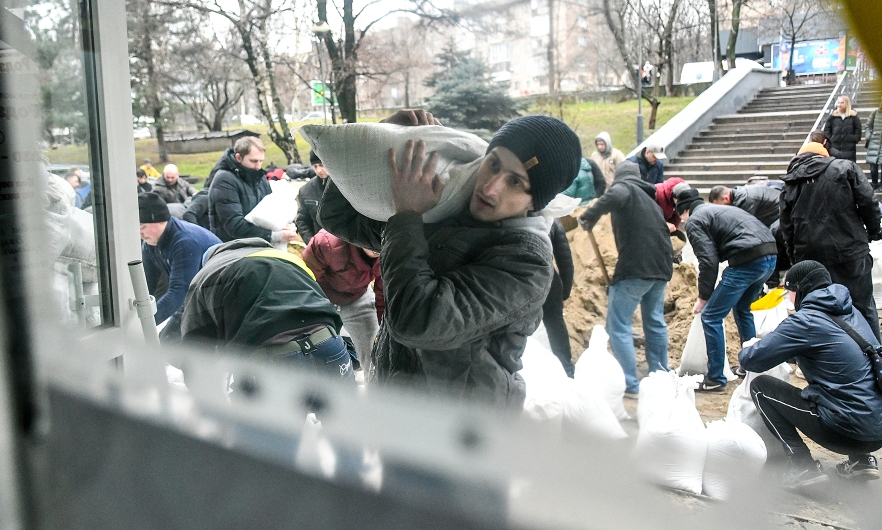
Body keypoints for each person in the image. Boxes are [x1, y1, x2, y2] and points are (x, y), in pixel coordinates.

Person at [318, 110, 582, 408]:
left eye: (516, 183)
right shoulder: (444, 207)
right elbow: (337, 217)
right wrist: (381, 138)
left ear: (537, 201)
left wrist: (406, 215)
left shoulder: (526, 263)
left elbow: (416, 321)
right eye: (493, 164)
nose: (491, 187)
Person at [739, 260, 882, 488]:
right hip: (877, 431)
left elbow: (752, 359)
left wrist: (747, 347)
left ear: (799, 290)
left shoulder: (805, 321)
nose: (789, 298)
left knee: (762, 388)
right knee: (847, 386)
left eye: (789, 292)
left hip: (845, 432)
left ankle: (802, 465)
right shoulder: (850, 311)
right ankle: (862, 461)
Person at [180, 237, 352, 380]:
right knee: (346, 422)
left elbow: (194, 347)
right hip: (329, 346)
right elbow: (320, 301)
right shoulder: (289, 259)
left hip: (272, 363)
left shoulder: (207, 275)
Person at [578, 161, 674, 395]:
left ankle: (628, 383)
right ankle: (660, 375)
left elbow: (615, 194)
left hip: (636, 267)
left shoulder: (626, 188)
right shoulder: (648, 200)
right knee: (654, 321)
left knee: (618, 324)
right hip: (660, 267)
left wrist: (588, 215)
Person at [676, 188, 777, 392]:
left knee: (711, 316)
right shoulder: (718, 210)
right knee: (742, 309)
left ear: (685, 211)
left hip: (747, 260)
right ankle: (749, 366)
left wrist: (704, 297)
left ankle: (715, 378)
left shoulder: (695, 221)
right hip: (770, 255)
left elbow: (708, 261)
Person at [780, 140, 882, 340]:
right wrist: (873, 231)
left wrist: (796, 261)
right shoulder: (845, 168)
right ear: (824, 155)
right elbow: (868, 202)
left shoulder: (790, 183)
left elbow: (787, 228)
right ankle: (876, 358)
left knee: (823, 312)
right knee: (863, 305)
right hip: (851, 251)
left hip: (812, 259)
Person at [302, 229, 382, 378]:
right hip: (322, 299)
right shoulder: (327, 243)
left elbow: (383, 292)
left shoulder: (389, 250)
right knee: (315, 350)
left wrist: (382, 325)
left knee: (374, 351)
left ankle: (375, 389)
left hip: (358, 297)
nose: (376, 249)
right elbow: (306, 279)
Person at [138, 192, 221, 324]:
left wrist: (145, 324)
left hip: (220, 297)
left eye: (142, 227)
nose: (140, 234)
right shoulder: (150, 243)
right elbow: (147, 286)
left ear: (159, 221)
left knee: (171, 341)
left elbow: (178, 293)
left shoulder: (185, 242)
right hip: (197, 295)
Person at [209, 136, 297, 244]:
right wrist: (275, 236)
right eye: (253, 161)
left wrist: (290, 226)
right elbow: (233, 224)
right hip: (232, 249)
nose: (258, 166)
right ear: (238, 158)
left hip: (259, 245)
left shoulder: (260, 177)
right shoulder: (224, 180)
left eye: (261, 161)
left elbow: (274, 209)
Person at [543, 220, 575, 377]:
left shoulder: (514, 215)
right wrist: (564, 294)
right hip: (549, 279)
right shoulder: (553, 222)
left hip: (521, 279)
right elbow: (566, 263)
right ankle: (566, 368)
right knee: (555, 323)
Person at [295, 150, 329, 245]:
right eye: (315, 166)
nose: (319, 170)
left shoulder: (345, 188)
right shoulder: (306, 190)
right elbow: (302, 220)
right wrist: (312, 243)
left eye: (321, 165)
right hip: (322, 247)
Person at [708, 184, 781, 227]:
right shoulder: (740, 195)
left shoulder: (745, 200)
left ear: (726, 198)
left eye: (719, 205)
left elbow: (746, 225)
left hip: (780, 215)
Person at [823, 96, 862, 162]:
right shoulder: (833, 116)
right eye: (838, 103)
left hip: (849, 148)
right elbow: (827, 129)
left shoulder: (853, 116)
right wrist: (831, 139)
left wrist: (854, 139)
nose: (839, 105)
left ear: (847, 103)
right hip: (835, 147)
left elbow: (858, 129)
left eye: (842, 103)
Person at [865, 103, 882, 191]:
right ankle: (874, 183)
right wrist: (868, 136)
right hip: (874, 142)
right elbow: (868, 126)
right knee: (873, 166)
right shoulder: (875, 113)